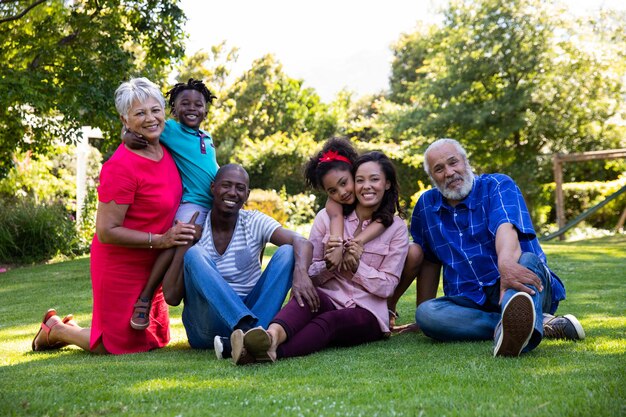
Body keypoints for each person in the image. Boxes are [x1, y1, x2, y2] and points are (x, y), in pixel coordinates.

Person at [32, 77, 196, 354]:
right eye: (139, 113)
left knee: (154, 340)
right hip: (121, 263)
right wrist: (162, 239)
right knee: (113, 345)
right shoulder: (120, 167)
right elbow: (106, 230)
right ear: (124, 119)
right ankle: (57, 329)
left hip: (155, 263)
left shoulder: (169, 148)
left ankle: (63, 328)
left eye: (155, 110)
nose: (150, 118)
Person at [410, 138, 585, 357]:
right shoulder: (426, 205)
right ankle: (531, 322)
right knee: (427, 314)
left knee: (528, 260)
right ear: (432, 178)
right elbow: (429, 261)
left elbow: (506, 227)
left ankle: (521, 323)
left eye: (453, 162)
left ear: (465, 161)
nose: (449, 172)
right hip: (470, 301)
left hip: (521, 280)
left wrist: (506, 266)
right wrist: (423, 320)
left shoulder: (498, 185)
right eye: (439, 169)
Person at [231, 151, 409, 364]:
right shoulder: (327, 218)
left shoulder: (397, 228)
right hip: (330, 296)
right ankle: (270, 337)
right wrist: (329, 263)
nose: (366, 186)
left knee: (330, 321)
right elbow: (312, 273)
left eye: (374, 180)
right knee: (305, 299)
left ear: (387, 184)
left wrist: (355, 268)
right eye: (360, 180)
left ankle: (268, 352)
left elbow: (388, 287)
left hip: (367, 310)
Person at [161, 164, 318, 359]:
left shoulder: (253, 221)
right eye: (226, 185)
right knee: (195, 255)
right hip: (206, 329)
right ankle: (246, 330)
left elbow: (302, 242)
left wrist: (301, 274)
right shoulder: (196, 225)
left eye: (240, 188)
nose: (233, 192)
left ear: (247, 194)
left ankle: (237, 341)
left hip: (255, 314)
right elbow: (171, 298)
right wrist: (186, 245)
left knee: (287, 252)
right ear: (213, 188)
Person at [123, 79, 219, 330]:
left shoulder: (206, 137)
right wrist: (126, 137)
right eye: (184, 103)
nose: (192, 108)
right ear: (174, 110)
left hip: (213, 206)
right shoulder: (171, 130)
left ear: (205, 110)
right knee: (180, 237)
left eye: (198, 104)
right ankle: (146, 298)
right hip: (192, 203)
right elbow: (138, 128)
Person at [304, 137, 425, 330]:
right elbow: (334, 216)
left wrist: (356, 245)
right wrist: (335, 249)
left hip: (373, 292)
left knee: (414, 251)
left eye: (345, 183)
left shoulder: (389, 219)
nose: (342, 192)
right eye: (333, 190)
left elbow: (384, 220)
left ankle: (389, 306)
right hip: (338, 293)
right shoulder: (334, 205)